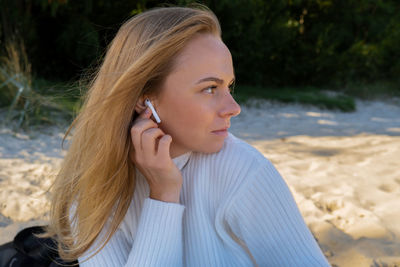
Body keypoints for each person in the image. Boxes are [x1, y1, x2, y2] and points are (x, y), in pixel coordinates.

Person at [44, 4, 331, 266]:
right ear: (145, 100)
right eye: (210, 88)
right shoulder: (94, 191)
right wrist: (164, 195)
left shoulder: (244, 171)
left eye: (229, 86)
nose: (234, 108)